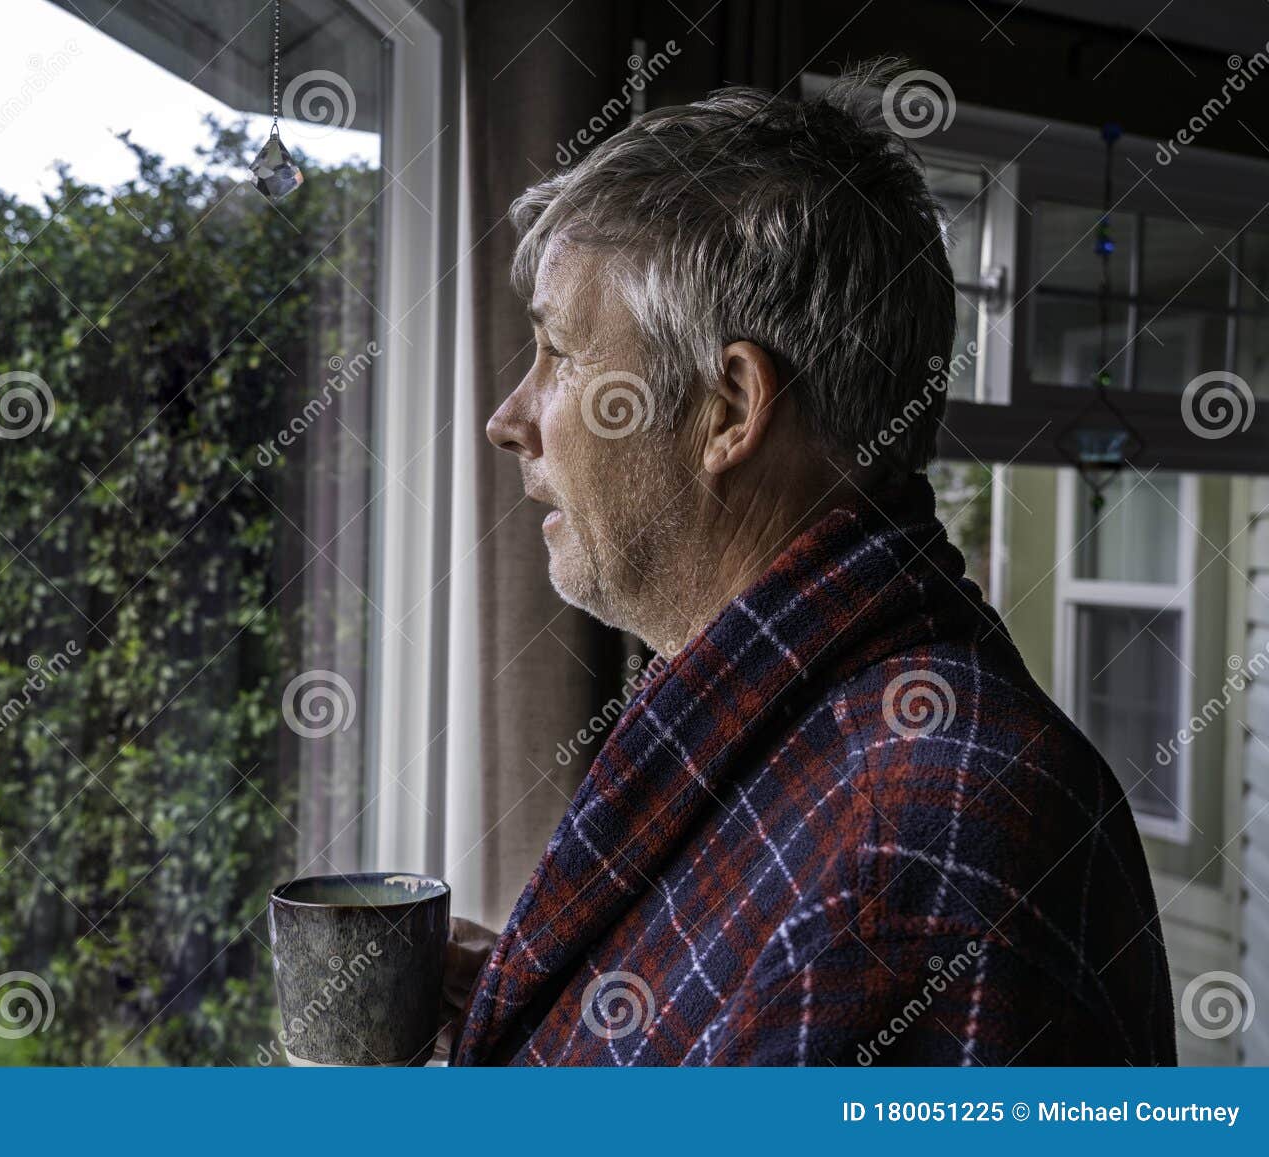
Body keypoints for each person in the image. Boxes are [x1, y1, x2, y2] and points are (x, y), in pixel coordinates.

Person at [440, 64, 1175, 1066]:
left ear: (729, 409)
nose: (507, 419)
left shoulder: (922, 848)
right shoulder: (794, 731)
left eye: (559, 354)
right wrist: (527, 1010)